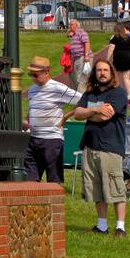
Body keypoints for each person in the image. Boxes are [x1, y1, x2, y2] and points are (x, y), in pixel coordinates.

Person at [67, 58, 130, 235]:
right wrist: (95, 110)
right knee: (95, 188)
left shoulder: (118, 93)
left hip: (111, 147)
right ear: (94, 73)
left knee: (115, 187)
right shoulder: (89, 93)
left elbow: (105, 116)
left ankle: (120, 227)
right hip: (90, 146)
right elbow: (78, 114)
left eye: (105, 70)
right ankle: (101, 225)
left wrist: (89, 112)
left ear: (111, 73)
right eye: (99, 70)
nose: (102, 73)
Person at [22, 55, 81, 183]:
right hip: (33, 139)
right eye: (31, 74)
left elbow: (82, 99)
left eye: (36, 75)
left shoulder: (57, 88)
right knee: (30, 179)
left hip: (52, 140)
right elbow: (33, 109)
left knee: (54, 180)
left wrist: (67, 115)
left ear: (46, 72)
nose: (32, 78)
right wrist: (27, 120)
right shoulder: (32, 90)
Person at [105, 21, 130, 97]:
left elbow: (111, 48)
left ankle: (115, 93)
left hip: (119, 58)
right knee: (126, 78)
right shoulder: (128, 38)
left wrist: (107, 59)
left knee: (115, 76)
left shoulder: (115, 37)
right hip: (129, 58)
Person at [66, 19, 91, 92]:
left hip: (82, 57)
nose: (69, 26)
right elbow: (71, 46)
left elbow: (86, 43)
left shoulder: (81, 32)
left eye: (71, 24)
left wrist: (86, 55)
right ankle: (76, 94)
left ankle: (81, 96)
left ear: (76, 25)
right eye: (69, 24)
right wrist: (70, 36)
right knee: (74, 77)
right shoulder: (72, 34)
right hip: (75, 58)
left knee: (81, 78)